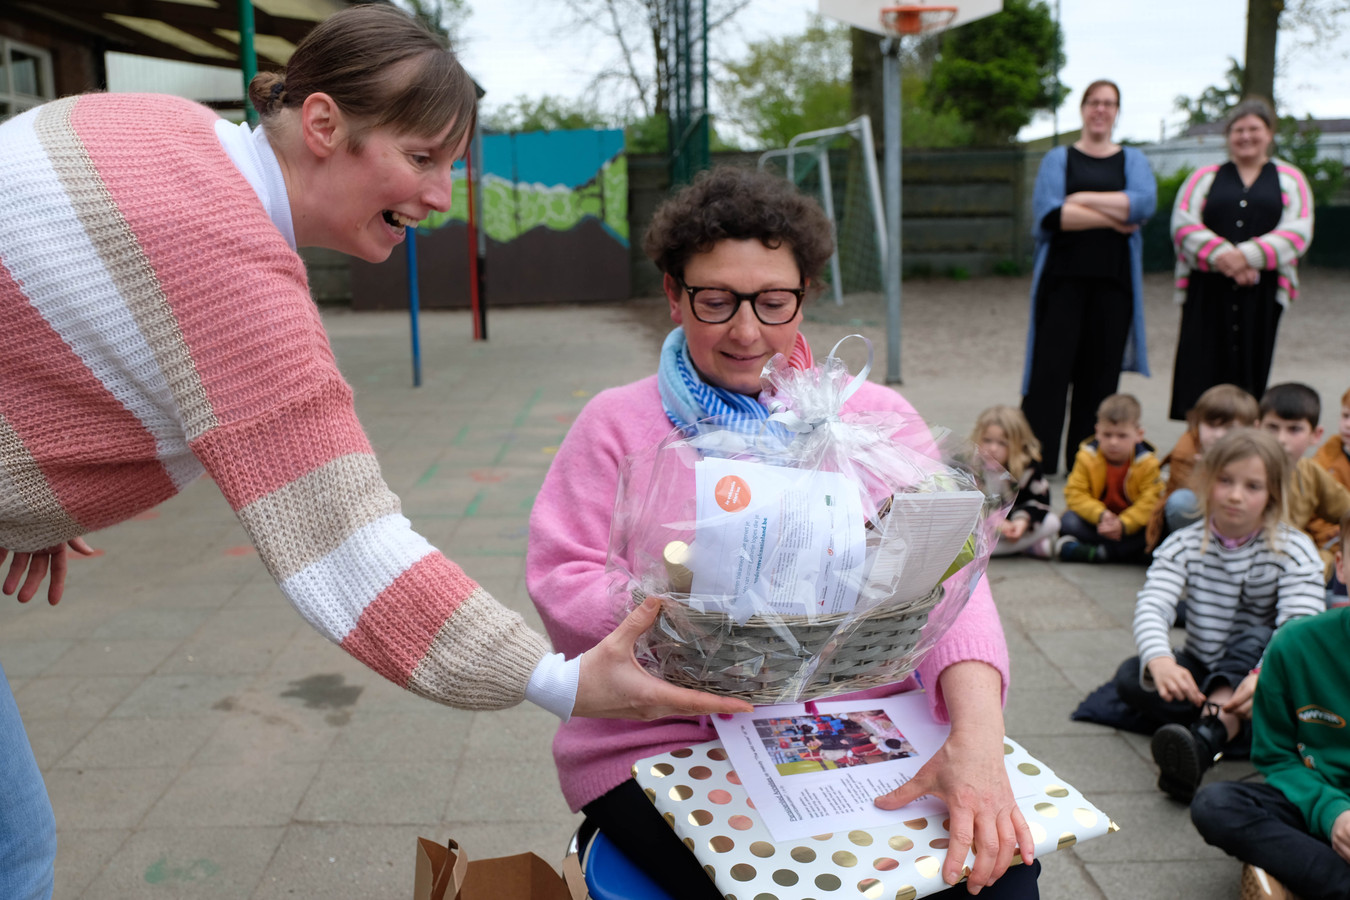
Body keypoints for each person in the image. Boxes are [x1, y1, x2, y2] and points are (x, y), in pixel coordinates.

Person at [0, 8, 746, 898]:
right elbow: (347, 543)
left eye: (451, 165)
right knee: (15, 853)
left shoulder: (142, 123)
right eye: (421, 158)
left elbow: (36, 315)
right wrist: (556, 678)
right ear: (323, 125)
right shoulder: (232, 275)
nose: (441, 194)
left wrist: (30, 478)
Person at [528, 166, 1040, 899]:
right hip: (668, 738)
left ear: (806, 298)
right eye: (716, 302)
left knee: (1000, 877)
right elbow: (563, 576)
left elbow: (954, 585)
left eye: (773, 302)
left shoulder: (872, 421)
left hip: (861, 728)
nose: (746, 331)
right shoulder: (617, 423)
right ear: (673, 295)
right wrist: (693, 610)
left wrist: (980, 744)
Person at [1111, 429, 1325, 803]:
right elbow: (1154, 603)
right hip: (1203, 663)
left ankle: (1205, 738)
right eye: (1225, 481)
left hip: (1263, 672)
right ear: (1207, 480)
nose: (1236, 495)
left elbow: (1299, 627)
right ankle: (1229, 728)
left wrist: (1262, 676)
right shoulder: (1184, 543)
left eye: (1252, 486)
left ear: (1273, 492)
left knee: (1262, 635)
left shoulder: (1294, 549)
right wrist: (1160, 661)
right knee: (1132, 676)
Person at [1189, 510, 1350, 900]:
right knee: (1217, 804)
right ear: (1341, 567)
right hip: (1319, 799)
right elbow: (1275, 757)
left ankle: (1292, 877)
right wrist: (1333, 815)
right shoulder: (1296, 644)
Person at [1021, 79, 1156, 474]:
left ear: (1117, 111)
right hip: (1062, 285)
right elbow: (1051, 215)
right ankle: (1036, 463)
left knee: (1099, 377)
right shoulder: (1058, 159)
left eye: (1109, 103)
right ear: (1083, 109)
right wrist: (1116, 214)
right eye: (1094, 102)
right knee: (1050, 372)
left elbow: (1143, 205)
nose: (1101, 109)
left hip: (1113, 288)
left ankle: (1085, 463)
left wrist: (1081, 199)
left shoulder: (1132, 159)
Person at [1168, 99, 1315, 420]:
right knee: (1200, 370)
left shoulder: (1290, 179)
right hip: (1206, 291)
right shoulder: (1204, 177)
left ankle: (1246, 449)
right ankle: (1196, 450)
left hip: (1261, 292)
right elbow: (1182, 224)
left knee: (1250, 371)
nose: (1246, 136)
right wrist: (1226, 259)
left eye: (1254, 129)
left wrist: (1250, 258)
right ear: (1228, 136)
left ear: (1269, 134)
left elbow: (1299, 230)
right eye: (1238, 130)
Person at [1144, 384, 1260, 554]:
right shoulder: (1186, 450)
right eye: (1211, 426)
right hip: (1199, 518)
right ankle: (1190, 556)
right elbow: (1192, 498)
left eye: (1229, 428)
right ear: (1197, 423)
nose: (1219, 435)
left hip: (1241, 519)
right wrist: (1209, 470)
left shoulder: (1258, 452)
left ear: (1252, 429)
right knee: (1182, 502)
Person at [1055, 393, 1163, 564]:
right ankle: (1122, 552)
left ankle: (1097, 552)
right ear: (1097, 432)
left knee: (1157, 529)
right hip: (1098, 521)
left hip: (1130, 525)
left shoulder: (1148, 463)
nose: (1113, 442)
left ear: (1139, 434)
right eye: (1107, 434)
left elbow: (1150, 502)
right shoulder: (1086, 457)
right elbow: (1075, 494)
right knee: (1068, 522)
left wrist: (1124, 524)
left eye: (1122, 436)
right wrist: (1101, 515)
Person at [1259, 383, 1350, 584]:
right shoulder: (1249, 474)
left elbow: (1344, 508)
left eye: (1294, 429)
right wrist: (1326, 559)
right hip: (1263, 570)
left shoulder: (1308, 470)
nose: (1281, 439)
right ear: (1257, 427)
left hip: (1304, 568)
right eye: (1272, 428)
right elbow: (1278, 539)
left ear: (1315, 435)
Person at [971, 406, 1059, 558]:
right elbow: (969, 502)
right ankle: (1026, 547)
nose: (993, 448)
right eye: (987, 440)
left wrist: (1022, 522)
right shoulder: (973, 465)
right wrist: (995, 521)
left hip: (1012, 527)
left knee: (1053, 522)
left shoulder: (1028, 468)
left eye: (1002, 443)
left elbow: (1039, 502)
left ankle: (984, 554)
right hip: (983, 527)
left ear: (1018, 443)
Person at [1311, 387, 1350, 600]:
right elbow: (1312, 511)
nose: (1348, 424)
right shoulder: (1325, 458)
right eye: (1346, 415)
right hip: (1330, 544)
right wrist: (1333, 532)